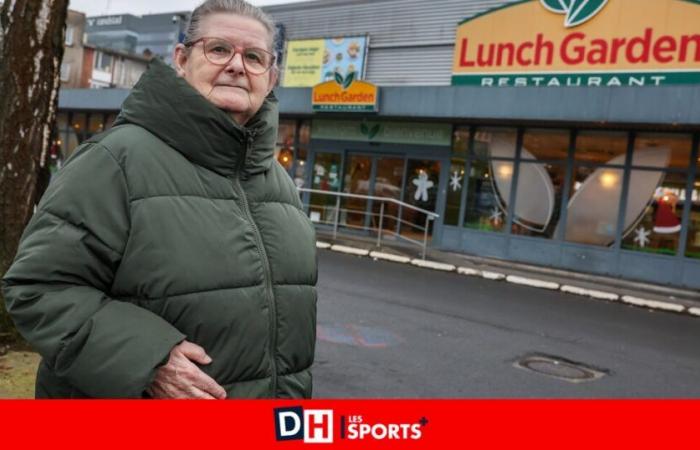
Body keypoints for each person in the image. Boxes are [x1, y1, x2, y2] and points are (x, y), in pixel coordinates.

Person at [2, 0, 317, 399]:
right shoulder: (114, 161)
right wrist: (147, 359)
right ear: (182, 59)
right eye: (219, 49)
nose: (237, 66)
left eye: (254, 56)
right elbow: (38, 287)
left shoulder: (280, 185)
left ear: (270, 77)